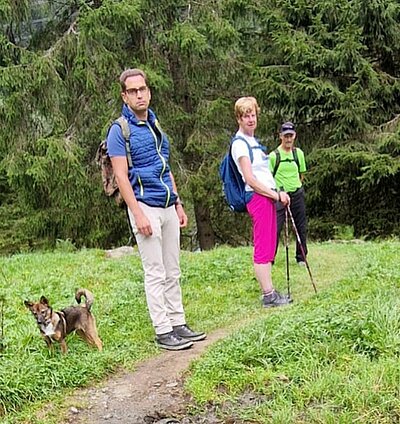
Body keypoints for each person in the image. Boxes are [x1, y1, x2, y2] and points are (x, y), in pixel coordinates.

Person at [107, 68, 205, 350]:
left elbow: (165, 166)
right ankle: (163, 330)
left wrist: (178, 202)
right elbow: (121, 176)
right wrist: (137, 213)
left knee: (173, 269)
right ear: (125, 96)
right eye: (133, 91)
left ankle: (178, 323)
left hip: (167, 204)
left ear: (148, 92)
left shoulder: (154, 124)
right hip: (144, 206)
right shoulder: (119, 131)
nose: (139, 95)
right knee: (155, 271)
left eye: (143, 89)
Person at [231, 97, 292, 307]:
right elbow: (250, 179)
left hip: (266, 197)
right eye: (245, 115)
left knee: (268, 244)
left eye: (253, 115)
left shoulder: (253, 143)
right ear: (239, 118)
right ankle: (268, 295)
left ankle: (271, 291)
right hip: (258, 198)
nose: (250, 119)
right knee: (263, 246)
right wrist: (276, 195)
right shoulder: (240, 145)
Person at [269, 122, 308, 265]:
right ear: (281, 137)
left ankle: (301, 257)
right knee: (275, 227)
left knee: (300, 227)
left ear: (294, 136)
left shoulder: (299, 154)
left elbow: (301, 174)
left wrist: (295, 187)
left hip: (297, 194)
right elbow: (269, 177)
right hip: (279, 196)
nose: (288, 139)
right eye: (286, 136)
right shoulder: (274, 156)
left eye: (291, 136)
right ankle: (269, 258)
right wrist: (279, 192)